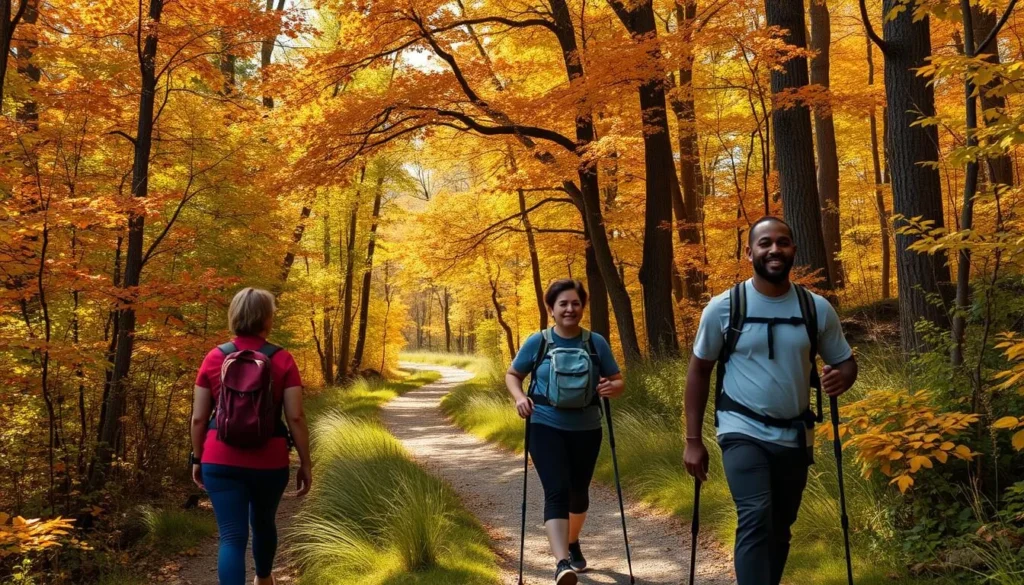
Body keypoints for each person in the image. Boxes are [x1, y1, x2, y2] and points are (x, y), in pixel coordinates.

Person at [683, 217, 858, 585]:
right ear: (749, 252)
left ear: (794, 249)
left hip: (795, 434)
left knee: (780, 526)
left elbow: (844, 361)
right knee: (756, 514)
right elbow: (699, 371)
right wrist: (693, 441)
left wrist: (842, 376)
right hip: (740, 429)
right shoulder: (723, 307)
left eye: (782, 242)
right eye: (765, 243)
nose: (774, 249)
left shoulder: (816, 309)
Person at [190, 287, 312, 585]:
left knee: (231, 536)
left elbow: (198, 418)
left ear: (234, 315)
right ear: (267, 319)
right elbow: (295, 416)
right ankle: (264, 579)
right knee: (264, 522)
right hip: (269, 460)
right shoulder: (282, 359)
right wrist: (306, 463)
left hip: (220, 457)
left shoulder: (214, 357)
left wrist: (197, 457)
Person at [506, 279, 625, 585]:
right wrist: (521, 398)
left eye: (575, 303)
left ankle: (572, 542)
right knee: (557, 490)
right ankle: (561, 564)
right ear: (551, 309)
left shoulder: (595, 342)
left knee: (578, 493)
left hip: (587, 428)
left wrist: (612, 387)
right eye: (563, 304)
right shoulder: (539, 341)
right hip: (545, 424)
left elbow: (618, 380)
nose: (569, 309)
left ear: (582, 307)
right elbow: (513, 374)